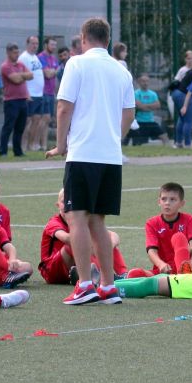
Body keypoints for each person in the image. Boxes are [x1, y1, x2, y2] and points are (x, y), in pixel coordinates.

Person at [46, 17, 135, 306]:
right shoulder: (121, 70)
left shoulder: (76, 63)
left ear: (83, 39)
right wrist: (113, 138)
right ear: (108, 40)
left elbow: (64, 107)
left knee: (77, 218)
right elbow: (129, 114)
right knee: (98, 220)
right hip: (110, 157)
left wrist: (61, 144)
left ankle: (85, 284)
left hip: (83, 153)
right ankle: (108, 285)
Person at [39, 189, 128, 285]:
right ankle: (100, 275)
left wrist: (108, 247)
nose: (69, 205)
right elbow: (67, 238)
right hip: (51, 270)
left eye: (73, 202)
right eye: (64, 202)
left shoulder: (81, 222)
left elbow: (114, 236)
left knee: (105, 242)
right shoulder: (54, 222)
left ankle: (124, 275)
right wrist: (95, 246)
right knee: (75, 243)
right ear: (58, 205)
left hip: (71, 267)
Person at [126, 182, 192, 278]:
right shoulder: (152, 223)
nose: (167, 203)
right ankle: (174, 281)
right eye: (164, 199)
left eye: (172, 199)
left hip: (187, 269)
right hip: (165, 271)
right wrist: (161, 264)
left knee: (178, 237)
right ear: (159, 201)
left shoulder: (189, 219)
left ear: (182, 204)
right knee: (134, 274)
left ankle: (183, 277)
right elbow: (151, 250)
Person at [0, 43, 32, 157]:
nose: (17, 55)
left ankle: (17, 151)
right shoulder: (5, 66)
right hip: (11, 100)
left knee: (20, 127)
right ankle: (3, 151)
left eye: (18, 52)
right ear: (8, 53)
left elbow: (31, 75)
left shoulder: (20, 64)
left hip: (23, 99)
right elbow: (16, 80)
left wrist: (20, 75)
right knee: (8, 126)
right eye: (14, 53)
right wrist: (23, 76)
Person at [126, 73, 169, 145]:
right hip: (139, 122)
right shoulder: (135, 93)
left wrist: (145, 106)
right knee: (139, 143)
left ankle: (167, 149)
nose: (145, 83)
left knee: (164, 137)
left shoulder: (153, 94)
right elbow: (140, 106)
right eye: (143, 81)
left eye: (147, 81)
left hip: (150, 121)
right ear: (139, 82)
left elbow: (157, 105)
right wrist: (150, 107)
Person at [20, 35, 45, 152]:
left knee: (37, 119)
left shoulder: (35, 57)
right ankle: (23, 145)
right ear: (27, 44)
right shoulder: (24, 58)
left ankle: (31, 144)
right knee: (27, 121)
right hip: (30, 94)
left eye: (36, 43)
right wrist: (26, 93)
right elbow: (22, 76)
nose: (35, 46)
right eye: (33, 43)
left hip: (39, 94)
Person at [38, 37, 60, 151]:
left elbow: (52, 73)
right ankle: (38, 143)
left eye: (55, 45)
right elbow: (47, 74)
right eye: (52, 44)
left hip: (51, 93)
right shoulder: (41, 57)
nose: (54, 47)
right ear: (46, 45)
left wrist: (52, 71)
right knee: (44, 118)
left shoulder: (53, 58)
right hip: (43, 92)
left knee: (48, 119)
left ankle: (44, 145)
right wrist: (54, 71)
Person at [173, 63, 192, 148]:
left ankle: (178, 142)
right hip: (184, 95)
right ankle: (187, 143)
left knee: (182, 119)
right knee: (188, 120)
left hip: (176, 93)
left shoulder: (190, 72)